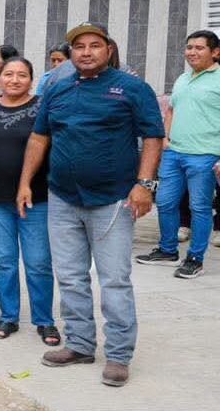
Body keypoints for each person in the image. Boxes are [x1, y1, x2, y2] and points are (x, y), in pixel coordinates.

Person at [19, 23, 164, 388]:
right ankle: (81, 344)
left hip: (113, 199)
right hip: (63, 197)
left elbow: (153, 136)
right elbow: (40, 137)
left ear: (109, 49)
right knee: (69, 276)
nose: (85, 52)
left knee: (114, 279)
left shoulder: (132, 88)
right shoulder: (57, 87)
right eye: (78, 46)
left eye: (94, 45)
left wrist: (144, 185)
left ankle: (118, 354)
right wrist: (24, 182)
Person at [0, 57, 57, 344]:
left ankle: (44, 320)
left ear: (31, 79)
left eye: (21, 75)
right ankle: (8, 316)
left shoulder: (42, 108)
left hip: (36, 197)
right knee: (4, 261)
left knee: (38, 262)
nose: (14, 80)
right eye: (8, 74)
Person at [135, 30, 220, 279]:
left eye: (199, 48)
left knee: (199, 207)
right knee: (164, 203)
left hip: (205, 155)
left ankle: (195, 258)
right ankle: (168, 250)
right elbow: (172, 109)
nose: (192, 52)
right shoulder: (183, 78)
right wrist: (166, 139)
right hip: (174, 153)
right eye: (189, 47)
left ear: (215, 52)